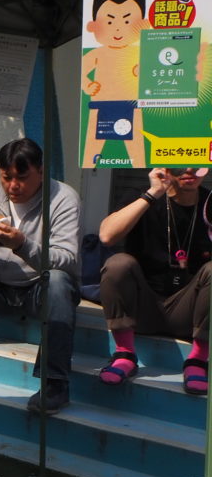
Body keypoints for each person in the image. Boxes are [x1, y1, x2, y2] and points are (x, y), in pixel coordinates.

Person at [0, 137, 81, 414]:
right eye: (6, 177)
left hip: (39, 291)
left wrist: (22, 245)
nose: (13, 186)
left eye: (22, 177)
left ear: (41, 171)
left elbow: (68, 259)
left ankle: (54, 384)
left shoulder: (63, 199)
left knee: (58, 281)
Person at [96, 167, 211, 394]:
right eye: (180, 162)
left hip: (189, 313)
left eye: (196, 161)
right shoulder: (142, 194)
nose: (189, 169)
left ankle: (198, 359)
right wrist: (153, 193)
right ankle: (124, 353)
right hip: (143, 309)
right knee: (118, 264)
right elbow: (107, 236)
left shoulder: (209, 203)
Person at [81, 0, 148, 169]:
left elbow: (151, 72)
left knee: (136, 149)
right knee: (92, 148)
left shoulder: (138, 52)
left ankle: (140, 169)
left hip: (131, 105)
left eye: (127, 22)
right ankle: (90, 165)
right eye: (110, 22)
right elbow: (82, 71)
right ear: (93, 26)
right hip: (101, 105)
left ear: (142, 24)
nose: (118, 29)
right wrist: (87, 85)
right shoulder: (97, 53)